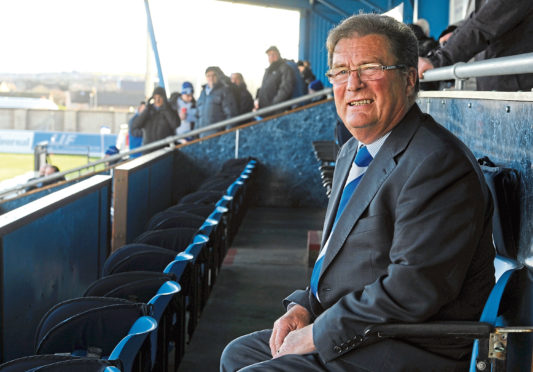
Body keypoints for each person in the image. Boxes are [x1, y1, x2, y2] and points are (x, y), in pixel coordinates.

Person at [221, 13, 495, 371]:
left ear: (409, 78)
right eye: (340, 71)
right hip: (361, 327)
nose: (353, 84)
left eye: (370, 68)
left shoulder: (437, 163)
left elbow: (413, 290)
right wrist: (303, 306)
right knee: (238, 354)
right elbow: (339, 257)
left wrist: (320, 333)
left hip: (405, 345)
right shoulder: (355, 149)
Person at [418, 0, 533, 91]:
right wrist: (453, 35)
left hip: (517, 91)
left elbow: (484, 24)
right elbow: (475, 19)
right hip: (494, 85)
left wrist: (438, 60)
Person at [197, 66, 238, 137]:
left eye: (214, 75)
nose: (211, 78)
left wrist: (227, 132)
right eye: (208, 76)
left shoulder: (225, 91)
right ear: (206, 77)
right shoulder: (202, 93)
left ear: (218, 76)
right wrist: (196, 133)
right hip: (202, 134)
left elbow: (231, 113)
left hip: (218, 134)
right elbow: (198, 115)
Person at [255, 46, 295, 110]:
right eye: (269, 55)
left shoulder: (284, 68)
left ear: (279, 55)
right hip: (265, 108)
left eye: (274, 54)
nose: (271, 57)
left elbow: (286, 88)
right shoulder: (268, 71)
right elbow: (264, 87)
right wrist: (257, 99)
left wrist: (274, 104)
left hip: (276, 110)